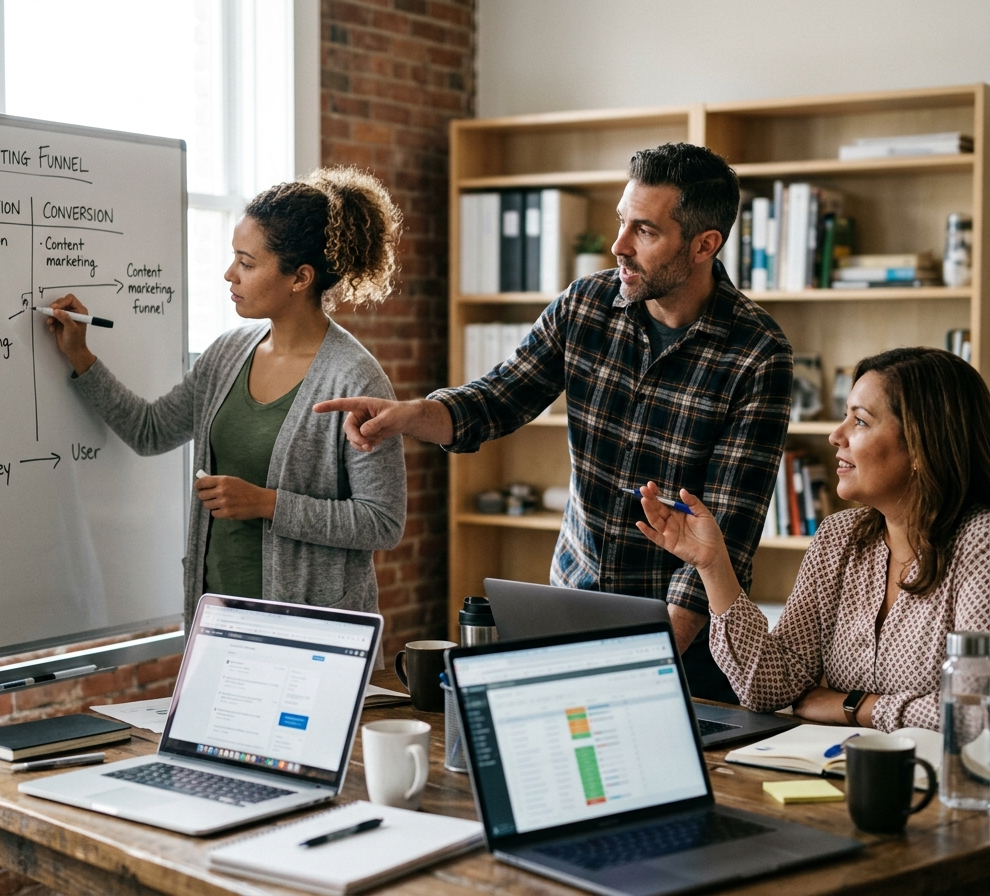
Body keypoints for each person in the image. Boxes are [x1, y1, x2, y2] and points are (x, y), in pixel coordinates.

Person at [315, 143, 793, 701]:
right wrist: (409, 415)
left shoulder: (759, 354)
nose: (618, 245)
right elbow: (497, 399)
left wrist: (652, 659)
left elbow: (726, 533)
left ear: (704, 244)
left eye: (644, 231)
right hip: (573, 605)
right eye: (622, 221)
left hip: (686, 645)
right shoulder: (585, 305)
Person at [44, 167, 407, 629]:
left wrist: (267, 503)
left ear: (300, 278)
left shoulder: (354, 378)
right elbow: (150, 431)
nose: (229, 274)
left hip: (310, 634)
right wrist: (81, 356)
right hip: (216, 622)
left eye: (247, 263)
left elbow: (382, 522)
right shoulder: (227, 353)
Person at [636, 347, 990, 732]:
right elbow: (770, 687)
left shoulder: (981, 542)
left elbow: (975, 713)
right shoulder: (839, 537)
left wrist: (853, 707)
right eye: (844, 417)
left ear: (923, 444)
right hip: (837, 763)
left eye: (860, 421)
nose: (836, 435)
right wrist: (713, 563)